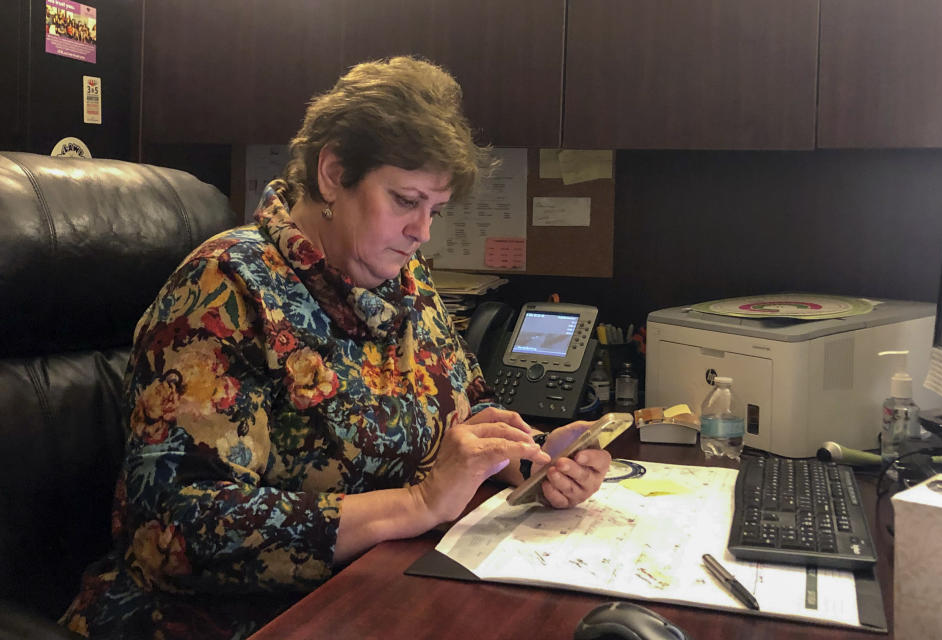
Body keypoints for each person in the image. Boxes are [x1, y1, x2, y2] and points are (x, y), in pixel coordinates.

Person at [60, 56, 611, 639]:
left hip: (382, 594)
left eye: (435, 210)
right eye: (405, 200)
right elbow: (178, 530)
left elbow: (467, 415)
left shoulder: (404, 282)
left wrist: (535, 459)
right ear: (333, 173)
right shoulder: (227, 287)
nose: (422, 231)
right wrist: (418, 502)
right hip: (226, 623)